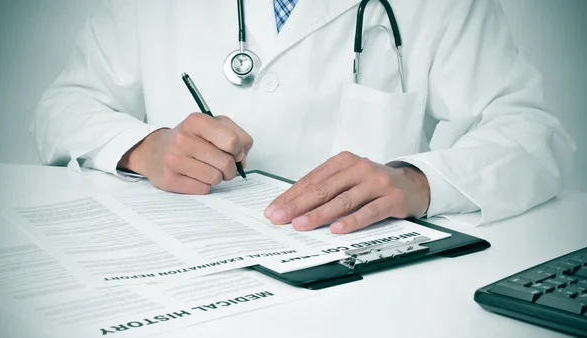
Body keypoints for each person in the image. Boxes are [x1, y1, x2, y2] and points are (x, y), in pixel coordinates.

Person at [32, 0, 576, 234]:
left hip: (367, 297)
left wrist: (419, 181)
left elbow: (534, 131)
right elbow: (61, 108)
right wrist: (145, 147)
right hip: (184, 278)